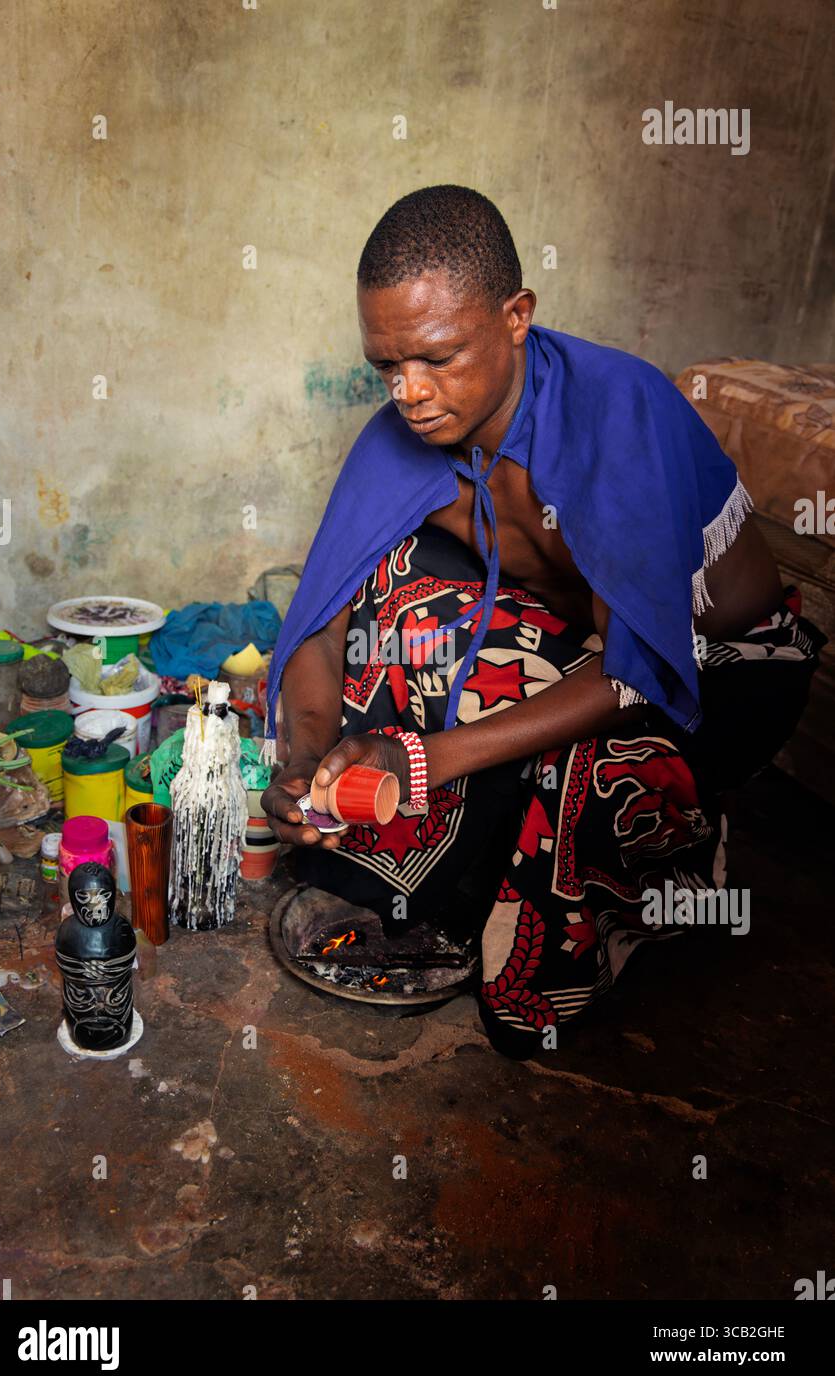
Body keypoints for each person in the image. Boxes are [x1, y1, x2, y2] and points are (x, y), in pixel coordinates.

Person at [261, 185, 825, 1056]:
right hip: (579, 643)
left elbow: (639, 665)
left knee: (586, 770)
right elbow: (325, 620)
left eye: (438, 357)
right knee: (395, 602)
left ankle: (658, 876)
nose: (409, 392)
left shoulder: (614, 413)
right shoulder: (406, 435)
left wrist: (419, 760)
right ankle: (426, 879)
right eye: (387, 364)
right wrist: (304, 756)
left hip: (719, 666)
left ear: (516, 316)